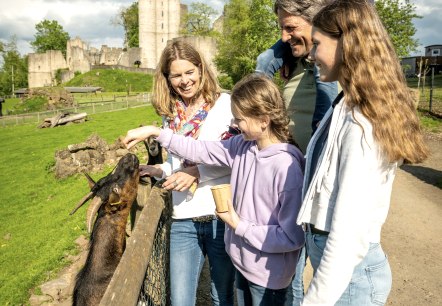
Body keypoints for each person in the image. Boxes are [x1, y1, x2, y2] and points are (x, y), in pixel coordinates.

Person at [124, 73, 306, 306]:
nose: (234, 125)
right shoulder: (243, 145)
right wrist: (156, 132)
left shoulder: (286, 167)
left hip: (269, 277)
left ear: (263, 119)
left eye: (239, 119)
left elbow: (292, 236)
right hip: (245, 265)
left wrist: (238, 225)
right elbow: (199, 150)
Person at [298, 0, 428, 305]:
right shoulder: (344, 104)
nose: (311, 53)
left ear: (348, 43)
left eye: (317, 44)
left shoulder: (362, 126)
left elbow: (347, 238)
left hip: (350, 280)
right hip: (340, 273)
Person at [137, 40, 235, 306]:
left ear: (201, 69)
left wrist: (198, 172)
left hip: (220, 217)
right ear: (167, 79)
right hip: (183, 221)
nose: (185, 81)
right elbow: (177, 165)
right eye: (176, 75)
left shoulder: (225, 106)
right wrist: (157, 170)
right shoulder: (172, 116)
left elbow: (236, 158)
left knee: (222, 297)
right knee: (180, 301)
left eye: (189, 72)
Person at [255, 0, 339, 153]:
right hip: (288, 165)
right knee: (264, 59)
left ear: (316, 22)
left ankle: (318, 147)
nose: (284, 37)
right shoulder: (293, 61)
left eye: (291, 28)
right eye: (282, 28)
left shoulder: (340, 67)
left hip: (313, 168)